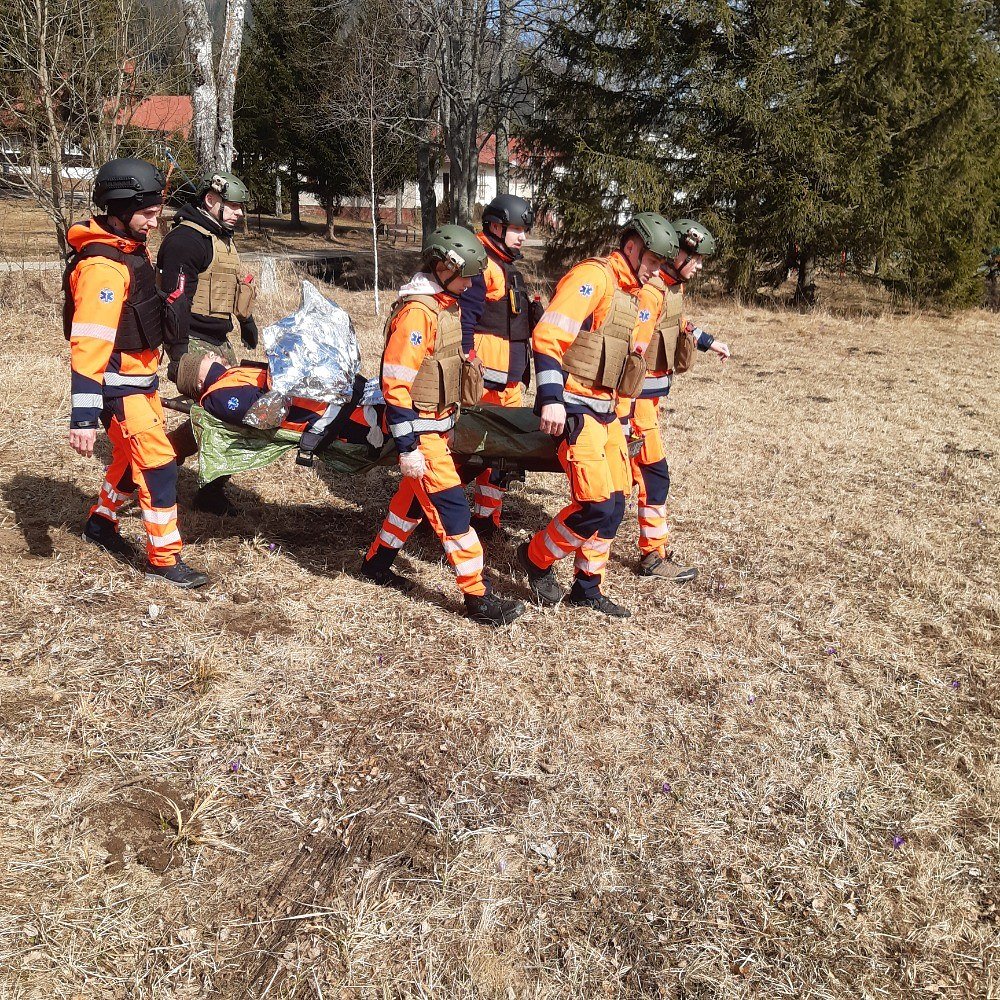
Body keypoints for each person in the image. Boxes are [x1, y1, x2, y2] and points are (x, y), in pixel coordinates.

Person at [360, 226, 526, 627]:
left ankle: (376, 563)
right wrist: (408, 447)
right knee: (453, 511)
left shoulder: (445, 306)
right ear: (442, 267)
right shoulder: (418, 313)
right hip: (420, 431)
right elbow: (396, 383)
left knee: (413, 502)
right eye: (466, 276)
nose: (470, 285)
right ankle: (478, 597)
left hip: (436, 426)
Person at [517, 212, 677, 617]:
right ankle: (535, 558)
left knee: (616, 505)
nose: (657, 271)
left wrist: (623, 419)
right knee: (597, 505)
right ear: (631, 248)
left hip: (607, 413)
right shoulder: (594, 278)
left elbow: (623, 365)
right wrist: (551, 397)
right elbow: (548, 335)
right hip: (575, 406)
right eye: (653, 261)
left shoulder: (634, 294)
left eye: (661, 264)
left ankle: (587, 587)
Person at [66, 157, 208, 588]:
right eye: (147, 213)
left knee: (130, 459)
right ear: (120, 209)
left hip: (140, 381)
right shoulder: (103, 269)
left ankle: (101, 522)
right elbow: (89, 343)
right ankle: (164, 559)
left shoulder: (129, 249)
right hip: (119, 387)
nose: (155, 221)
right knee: (159, 464)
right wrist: (83, 418)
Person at [619, 218, 730, 581]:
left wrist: (708, 341)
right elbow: (631, 351)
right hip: (636, 404)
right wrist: (623, 416)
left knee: (636, 478)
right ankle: (652, 555)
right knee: (653, 476)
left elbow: (678, 323)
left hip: (647, 403)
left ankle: (647, 549)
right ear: (677, 254)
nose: (699, 267)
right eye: (696, 259)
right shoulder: (652, 293)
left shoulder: (669, 288)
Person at [157, 171, 259, 516]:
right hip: (192, 338)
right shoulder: (186, 240)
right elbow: (173, 301)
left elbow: (236, 284)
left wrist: (246, 321)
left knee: (241, 411)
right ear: (211, 201)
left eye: (241, 207)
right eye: (233, 206)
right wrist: (178, 354)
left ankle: (210, 489)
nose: (239, 213)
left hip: (219, 338)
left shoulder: (222, 238)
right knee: (219, 414)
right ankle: (160, 465)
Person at [457, 194, 537, 536]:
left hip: (508, 382)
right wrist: (469, 361)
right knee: (468, 452)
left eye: (524, 231)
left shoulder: (504, 264)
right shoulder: (480, 263)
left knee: (503, 457)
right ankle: (438, 511)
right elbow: (465, 318)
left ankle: (486, 519)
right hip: (483, 382)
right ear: (495, 226)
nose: (523, 237)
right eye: (517, 229)